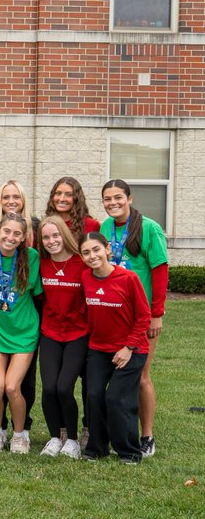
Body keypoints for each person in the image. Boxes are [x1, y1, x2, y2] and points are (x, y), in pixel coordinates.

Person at [100, 179, 167, 458]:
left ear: (130, 198)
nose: (113, 203)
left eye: (118, 197)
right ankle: (117, 433)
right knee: (115, 377)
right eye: (107, 199)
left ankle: (147, 435)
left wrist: (156, 314)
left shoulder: (149, 228)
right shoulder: (104, 228)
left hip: (140, 316)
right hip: (112, 313)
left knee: (140, 376)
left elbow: (159, 271)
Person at [79, 232, 150, 464]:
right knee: (94, 395)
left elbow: (143, 316)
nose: (92, 256)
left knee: (117, 398)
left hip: (131, 349)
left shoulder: (128, 278)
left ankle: (129, 451)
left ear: (108, 249)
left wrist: (128, 347)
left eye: (96, 250)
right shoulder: (85, 278)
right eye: (86, 252)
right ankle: (97, 448)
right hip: (98, 348)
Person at [0, 212, 41, 454]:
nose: (11, 237)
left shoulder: (31, 257)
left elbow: (35, 291)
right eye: (7, 231)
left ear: (24, 236)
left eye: (17, 233)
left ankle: (19, 435)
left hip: (23, 332)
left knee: (13, 387)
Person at [36, 216, 88, 458]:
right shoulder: (42, 264)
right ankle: (56, 437)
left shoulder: (81, 263)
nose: (51, 241)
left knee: (64, 388)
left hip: (77, 334)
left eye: (55, 235)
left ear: (65, 235)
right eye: (46, 237)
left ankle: (74, 441)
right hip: (50, 333)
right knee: (48, 389)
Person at [45, 176, 99, 247]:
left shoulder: (92, 225)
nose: (61, 199)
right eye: (58, 193)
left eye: (68, 194)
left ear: (77, 198)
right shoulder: (46, 225)